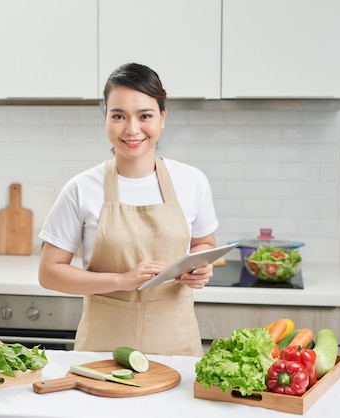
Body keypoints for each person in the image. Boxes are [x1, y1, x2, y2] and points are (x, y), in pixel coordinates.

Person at [38, 63, 219, 356]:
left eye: (145, 115)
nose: (132, 129)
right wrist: (120, 281)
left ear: (162, 117)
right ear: (105, 118)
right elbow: (49, 273)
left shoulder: (192, 182)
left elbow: (204, 244)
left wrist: (201, 268)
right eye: (119, 116)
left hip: (176, 349)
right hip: (102, 352)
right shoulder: (81, 188)